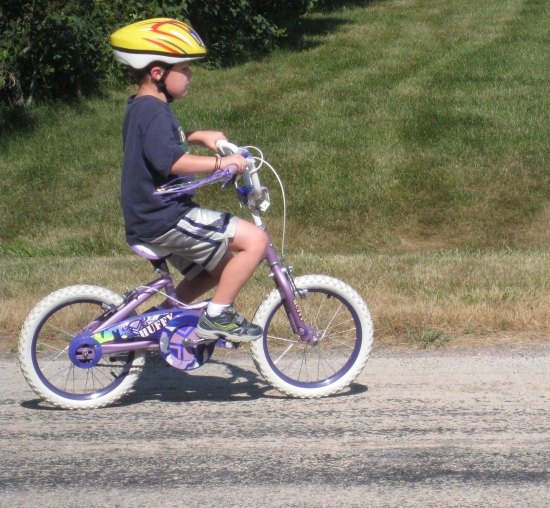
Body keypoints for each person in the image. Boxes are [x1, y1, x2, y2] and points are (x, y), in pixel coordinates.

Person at [110, 18, 268, 343]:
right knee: (256, 241)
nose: (191, 74)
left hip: (153, 216)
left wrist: (199, 136)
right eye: (185, 67)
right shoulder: (153, 111)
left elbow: (162, 144)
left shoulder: (147, 107)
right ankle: (218, 317)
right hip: (165, 217)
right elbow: (173, 161)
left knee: (221, 269)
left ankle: (160, 323)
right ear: (158, 73)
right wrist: (223, 163)